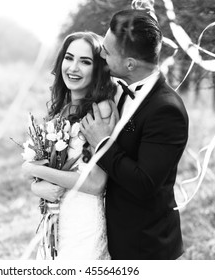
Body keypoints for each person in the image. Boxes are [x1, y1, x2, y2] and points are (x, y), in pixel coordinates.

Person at [80, 9, 189, 259]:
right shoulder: (117, 89)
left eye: (107, 51)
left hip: (146, 247)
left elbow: (144, 184)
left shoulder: (166, 110)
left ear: (130, 63)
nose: (101, 54)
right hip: (112, 237)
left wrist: (102, 143)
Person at [22, 31, 117, 259]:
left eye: (85, 61)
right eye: (69, 57)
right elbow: (54, 175)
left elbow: (96, 183)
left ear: (97, 68)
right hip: (56, 220)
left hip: (83, 222)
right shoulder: (62, 109)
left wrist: (34, 169)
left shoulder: (101, 110)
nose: (73, 68)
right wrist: (37, 186)